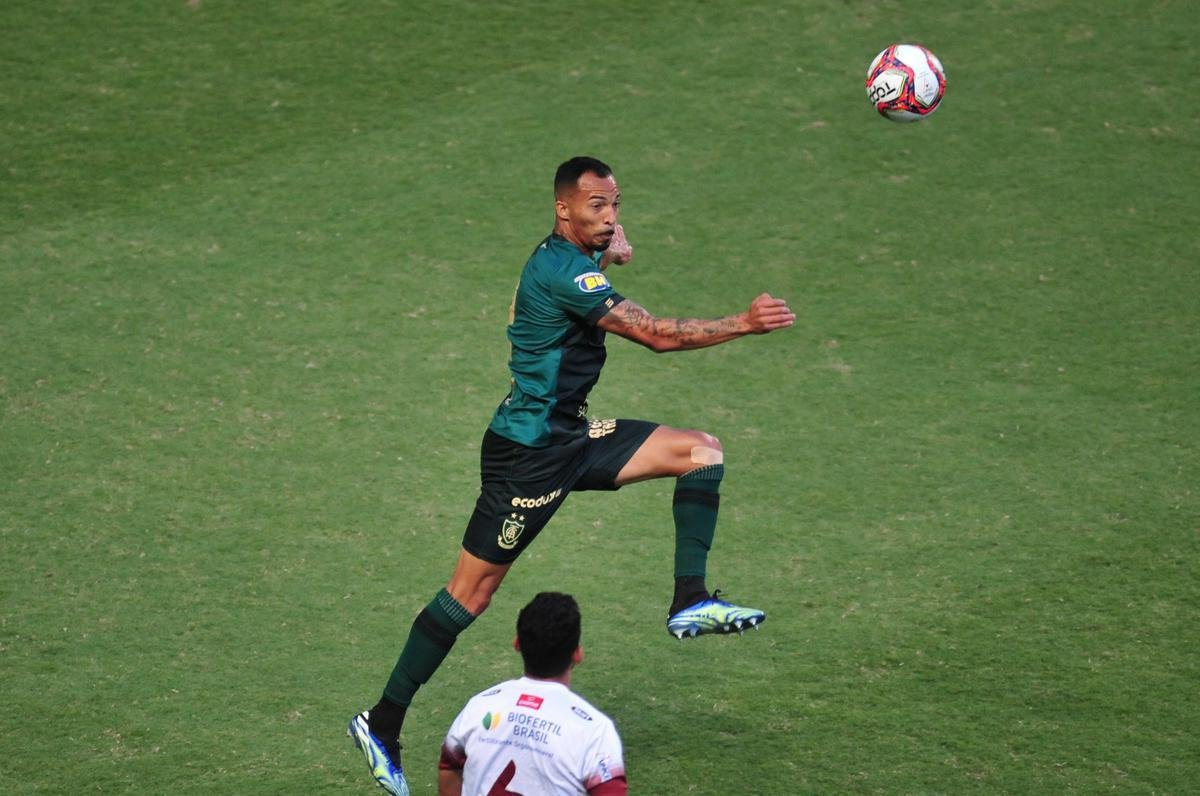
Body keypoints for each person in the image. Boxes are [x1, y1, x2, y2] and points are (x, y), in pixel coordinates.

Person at [348, 156, 795, 795]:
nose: (610, 217)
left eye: (615, 205)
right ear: (563, 209)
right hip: (528, 455)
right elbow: (659, 336)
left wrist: (609, 250)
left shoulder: (574, 257)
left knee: (700, 451)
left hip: (572, 436)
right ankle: (380, 722)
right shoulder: (564, 274)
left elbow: (594, 261)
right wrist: (744, 324)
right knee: (470, 594)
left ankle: (689, 599)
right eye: (597, 208)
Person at [438, 592, 626, 796]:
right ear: (577, 654)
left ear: (517, 644)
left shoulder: (479, 707)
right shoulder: (594, 731)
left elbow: (449, 766)